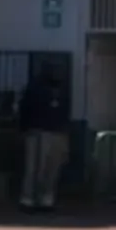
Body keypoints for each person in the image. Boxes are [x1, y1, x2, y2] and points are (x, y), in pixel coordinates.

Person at [16, 64, 73, 212]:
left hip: (56, 132)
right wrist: (25, 130)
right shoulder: (35, 89)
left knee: (52, 169)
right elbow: (25, 110)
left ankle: (46, 200)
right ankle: (28, 200)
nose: (57, 74)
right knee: (35, 168)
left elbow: (64, 113)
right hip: (38, 132)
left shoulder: (62, 90)